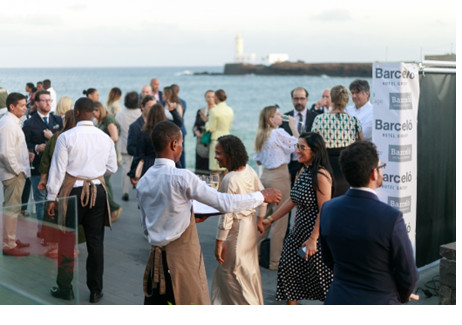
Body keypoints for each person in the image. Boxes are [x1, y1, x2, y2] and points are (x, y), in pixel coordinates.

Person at [137, 120, 281, 305]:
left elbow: (148, 225)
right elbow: (224, 202)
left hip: (155, 258)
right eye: (181, 143)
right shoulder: (182, 177)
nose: (181, 147)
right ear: (174, 144)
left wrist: (188, 216)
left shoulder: (144, 181)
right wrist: (261, 196)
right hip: (181, 258)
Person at [320, 141, 419, 304]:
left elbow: (328, 259)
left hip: (338, 298)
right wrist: (398, 296)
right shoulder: (391, 217)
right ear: (374, 173)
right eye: (381, 167)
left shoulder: (328, 209)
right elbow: (408, 274)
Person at [46, 97, 117, 303]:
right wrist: (93, 173)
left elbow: (57, 172)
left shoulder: (66, 137)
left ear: (76, 112)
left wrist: (51, 197)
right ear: (94, 112)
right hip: (98, 191)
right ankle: (95, 290)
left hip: (73, 192)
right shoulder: (104, 137)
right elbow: (112, 168)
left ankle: (65, 287)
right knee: (96, 243)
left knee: (67, 239)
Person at [263, 132, 334, 304]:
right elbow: (292, 199)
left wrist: (313, 239)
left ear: (315, 151)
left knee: (325, 285)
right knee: (289, 281)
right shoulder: (302, 170)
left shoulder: (321, 175)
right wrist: (270, 219)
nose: (298, 151)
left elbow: (324, 210)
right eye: (297, 147)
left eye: (302, 148)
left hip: (314, 239)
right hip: (296, 235)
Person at [211, 135, 267, 305]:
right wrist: (259, 219)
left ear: (230, 155)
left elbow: (226, 216)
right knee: (248, 273)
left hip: (236, 232)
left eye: (218, 153)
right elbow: (263, 194)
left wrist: (219, 242)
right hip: (249, 227)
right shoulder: (249, 170)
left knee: (231, 276)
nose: (215, 157)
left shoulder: (230, 179)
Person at [254, 105, 299, 270]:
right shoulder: (279, 132)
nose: (281, 117)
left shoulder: (261, 135)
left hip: (265, 176)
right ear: (271, 119)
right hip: (279, 176)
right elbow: (298, 144)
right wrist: (294, 127)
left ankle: (254, 254)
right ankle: (275, 261)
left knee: (264, 217)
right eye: (278, 115)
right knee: (280, 219)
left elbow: (257, 159)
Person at [22, 90, 63, 241]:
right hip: (38, 168)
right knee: (40, 202)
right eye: (44, 100)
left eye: (49, 100)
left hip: (57, 167)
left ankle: (56, 231)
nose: (48, 103)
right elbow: (24, 145)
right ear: (37, 103)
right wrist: (35, 148)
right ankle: (43, 232)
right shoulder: (29, 123)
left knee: (56, 201)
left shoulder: (57, 119)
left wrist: (52, 139)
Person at [311, 85, 363, 197]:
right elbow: (360, 145)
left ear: (332, 99)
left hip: (324, 169)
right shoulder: (354, 121)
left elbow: (312, 144)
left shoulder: (319, 119)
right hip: (346, 170)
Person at [37, 110, 76, 258]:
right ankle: (71, 247)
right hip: (73, 183)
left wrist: (42, 179)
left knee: (52, 213)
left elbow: (46, 160)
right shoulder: (78, 138)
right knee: (71, 215)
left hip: (56, 181)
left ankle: (54, 246)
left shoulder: (58, 137)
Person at [0, 92, 31, 257]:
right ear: (12, 107)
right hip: (13, 175)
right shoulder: (8, 125)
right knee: (11, 210)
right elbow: (5, 153)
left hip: (16, 173)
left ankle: (10, 239)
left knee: (13, 209)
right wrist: (17, 171)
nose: (26, 108)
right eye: (22, 105)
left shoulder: (12, 123)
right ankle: (9, 244)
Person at [132, 103, 182, 179]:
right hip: (166, 163)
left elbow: (139, 154)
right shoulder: (168, 132)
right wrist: (174, 111)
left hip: (148, 166)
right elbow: (179, 123)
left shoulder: (144, 133)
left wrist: (133, 172)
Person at [281, 87, 318, 185]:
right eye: (296, 99)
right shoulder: (284, 117)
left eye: (302, 99)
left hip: (310, 163)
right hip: (291, 163)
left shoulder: (315, 117)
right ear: (292, 99)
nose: (299, 102)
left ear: (307, 99)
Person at [93, 101, 122, 222]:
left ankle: (114, 207)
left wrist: (100, 142)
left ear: (99, 110)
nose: (93, 115)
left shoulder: (108, 120)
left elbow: (115, 137)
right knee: (105, 182)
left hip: (107, 156)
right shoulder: (101, 121)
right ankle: (110, 208)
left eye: (94, 112)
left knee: (104, 183)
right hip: (102, 155)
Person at [115, 91, 141, 201]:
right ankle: (138, 188)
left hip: (125, 145)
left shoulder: (119, 115)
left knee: (126, 168)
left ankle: (125, 192)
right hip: (139, 146)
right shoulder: (141, 113)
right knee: (140, 168)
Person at [205, 89, 233, 175]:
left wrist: (206, 124)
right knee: (225, 169)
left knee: (215, 170)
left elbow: (211, 128)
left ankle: (216, 188)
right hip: (227, 138)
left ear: (216, 98)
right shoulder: (230, 109)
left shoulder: (214, 110)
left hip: (216, 140)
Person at [192, 89, 215, 174]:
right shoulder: (201, 111)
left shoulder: (216, 111)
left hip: (211, 140)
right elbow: (195, 126)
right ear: (205, 98)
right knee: (200, 164)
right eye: (208, 97)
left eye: (212, 97)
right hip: (200, 140)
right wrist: (197, 133)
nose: (210, 99)